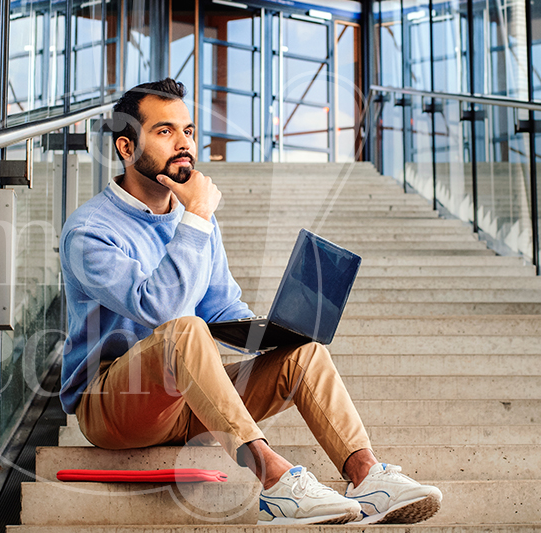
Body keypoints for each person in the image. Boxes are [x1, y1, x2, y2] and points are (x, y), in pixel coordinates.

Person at [58, 78, 442, 525]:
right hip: (115, 405)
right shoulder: (90, 231)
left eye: (189, 130)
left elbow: (220, 308)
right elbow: (162, 310)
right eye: (165, 132)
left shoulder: (193, 219)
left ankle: (367, 476)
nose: (184, 143)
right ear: (126, 147)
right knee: (184, 329)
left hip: (189, 401)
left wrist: (276, 331)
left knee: (304, 353)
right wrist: (198, 217)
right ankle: (276, 481)